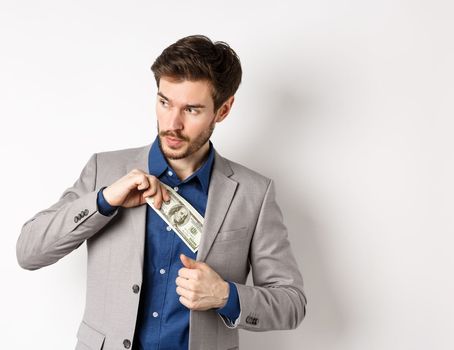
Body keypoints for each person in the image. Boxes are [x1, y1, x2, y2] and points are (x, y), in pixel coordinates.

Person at [16, 35, 307, 350]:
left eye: (192, 110)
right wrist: (103, 201)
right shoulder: (105, 169)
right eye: (164, 102)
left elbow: (291, 303)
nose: (172, 123)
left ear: (223, 110)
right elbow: (29, 252)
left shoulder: (254, 193)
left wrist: (225, 295)